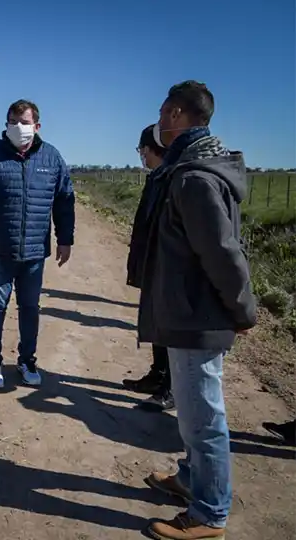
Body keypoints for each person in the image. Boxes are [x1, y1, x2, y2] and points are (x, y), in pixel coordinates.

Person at [137, 81, 257, 540]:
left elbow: (222, 254)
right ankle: (191, 480)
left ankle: (209, 515)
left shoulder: (193, 177)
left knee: (204, 418)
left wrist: (242, 310)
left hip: (197, 316)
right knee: (192, 412)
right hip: (187, 311)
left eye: (165, 113)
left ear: (176, 114)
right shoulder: (191, 167)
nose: (161, 122)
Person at [0, 99, 75, 389]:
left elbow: (64, 201)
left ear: (36, 126)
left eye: (24, 122)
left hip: (34, 251)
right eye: (12, 121)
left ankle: (27, 360)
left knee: (30, 307)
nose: (18, 127)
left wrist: (65, 239)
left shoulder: (52, 158)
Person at [122, 124, 174, 412]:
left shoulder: (173, 178)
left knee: (167, 327)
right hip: (153, 264)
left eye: (142, 150)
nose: (141, 156)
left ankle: (170, 387)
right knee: (155, 323)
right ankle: (158, 375)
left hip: (166, 266)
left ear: (152, 149)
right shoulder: (157, 178)